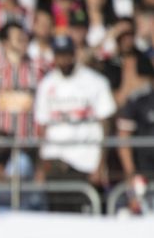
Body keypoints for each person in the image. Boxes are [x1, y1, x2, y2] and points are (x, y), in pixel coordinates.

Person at [34, 35, 116, 207]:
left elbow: (106, 125)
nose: (63, 59)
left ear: (73, 54)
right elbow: (42, 126)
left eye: (66, 54)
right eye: (59, 55)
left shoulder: (95, 82)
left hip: (86, 161)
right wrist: (41, 166)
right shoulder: (46, 85)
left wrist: (101, 164)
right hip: (55, 160)